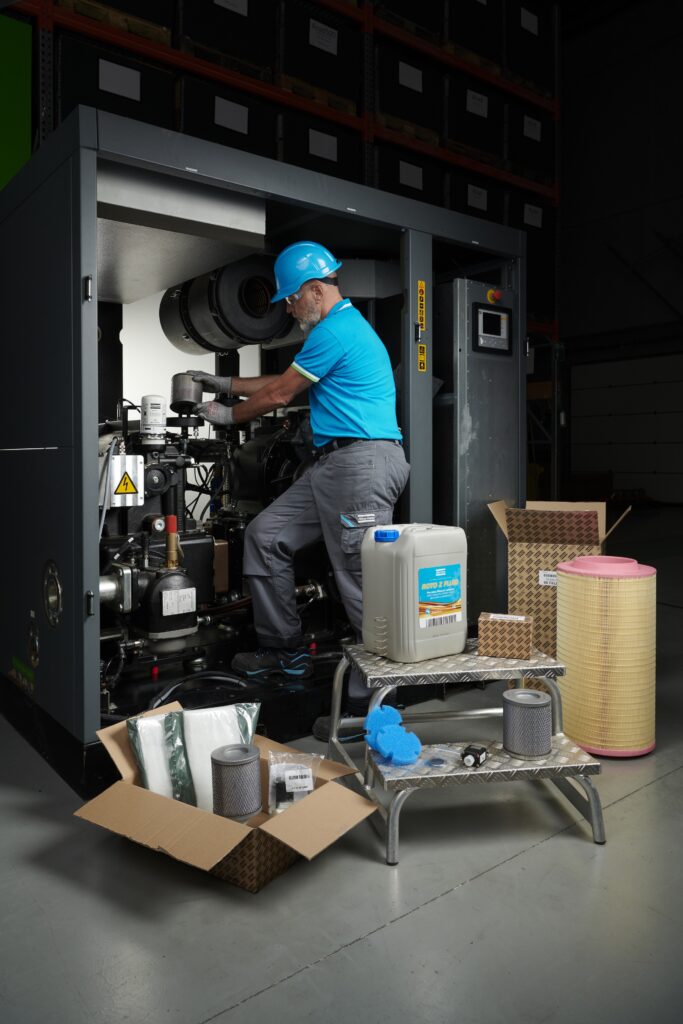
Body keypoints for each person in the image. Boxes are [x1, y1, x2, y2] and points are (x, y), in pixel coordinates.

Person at [188, 240, 409, 711]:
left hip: (361, 465)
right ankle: (285, 652)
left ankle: (379, 695)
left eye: (290, 298)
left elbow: (278, 397)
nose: (288, 308)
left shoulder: (338, 331)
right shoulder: (333, 330)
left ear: (313, 290)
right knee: (265, 536)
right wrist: (222, 385)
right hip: (333, 466)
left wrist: (228, 417)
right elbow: (283, 381)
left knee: (359, 577)